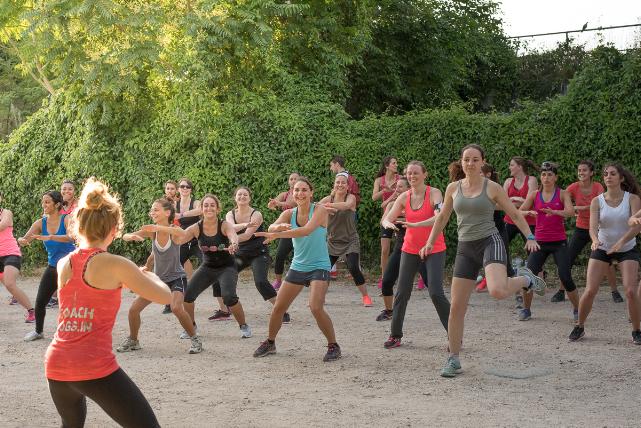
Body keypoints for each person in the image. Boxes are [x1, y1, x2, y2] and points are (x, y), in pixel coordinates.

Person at [45, 178, 170, 428]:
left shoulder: (63, 263)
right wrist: (149, 274)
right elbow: (165, 296)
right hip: (91, 364)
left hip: (57, 363)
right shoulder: (115, 263)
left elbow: (86, 294)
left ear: (79, 226)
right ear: (114, 229)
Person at [424, 145, 544, 378]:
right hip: (465, 247)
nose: (470, 163)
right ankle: (454, 359)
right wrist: (429, 242)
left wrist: (529, 236)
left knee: (498, 291)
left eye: (475, 160)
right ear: (461, 162)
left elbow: (515, 214)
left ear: (482, 162)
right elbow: (442, 218)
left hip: (490, 241)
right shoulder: (452, 188)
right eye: (466, 159)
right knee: (457, 307)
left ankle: (525, 278)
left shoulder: (493, 187)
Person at [253, 177, 341, 362]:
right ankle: (270, 343)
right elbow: (271, 226)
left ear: (311, 193)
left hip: (319, 265)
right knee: (278, 308)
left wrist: (277, 234)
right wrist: (277, 227)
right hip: (298, 266)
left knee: (316, 307)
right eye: (296, 190)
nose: (300, 193)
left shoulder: (320, 210)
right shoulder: (289, 213)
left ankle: (333, 346)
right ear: (292, 194)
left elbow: (306, 230)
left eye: (303, 190)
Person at [118, 198, 203, 354]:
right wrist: (131, 237)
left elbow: (182, 233)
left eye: (156, 209)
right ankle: (133, 340)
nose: (152, 212)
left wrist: (158, 227)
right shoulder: (153, 232)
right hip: (157, 281)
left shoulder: (173, 232)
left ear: (168, 212)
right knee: (133, 310)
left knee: (177, 308)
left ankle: (195, 339)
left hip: (177, 278)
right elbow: (125, 235)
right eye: (152, 210)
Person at [380, 161, 450, 348]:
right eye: (409, 173)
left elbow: (440, 216)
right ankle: (395, 335)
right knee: (402, 292)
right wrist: (389, 224)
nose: (412, 176)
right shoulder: (404, 196)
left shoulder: (434, 193)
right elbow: (387, 218)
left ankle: (454, 333)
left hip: (433, 248)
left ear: (425, 174)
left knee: (436, 292)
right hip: (410, 248)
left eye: (416, 173)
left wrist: (416, 225)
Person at [569, 163, 641, 344]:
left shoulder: (632, 199)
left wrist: (620, 243)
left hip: (626, 249)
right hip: (602, 248)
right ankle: (579, 326)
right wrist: (594, 240)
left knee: (631, 291)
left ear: (621, 178)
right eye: (605, 174)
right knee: (591, 290)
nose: (608, 176)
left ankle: (636, 331)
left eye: (613, 174)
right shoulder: (597, 201)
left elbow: (637, 226)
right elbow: (593, 228)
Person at [181, 194, 252, 339]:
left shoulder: (224, 225)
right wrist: (164, 231)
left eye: (212, 205)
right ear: (201, 209)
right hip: (208, 266)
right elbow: (180, 238)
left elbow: (233, 235)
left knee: (229, 297)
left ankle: (243, 325)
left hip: (227, 267)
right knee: (187, 296)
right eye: (205, 205)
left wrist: (233, 244)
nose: (209, 208)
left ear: (217, 209)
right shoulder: (196, 228)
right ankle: (191, 326)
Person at [517, 162, 579, 321]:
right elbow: (518, 212)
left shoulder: (562, 193)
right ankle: (526, 309)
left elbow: (571, 212)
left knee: (565, 276)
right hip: (539, 243)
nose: (546, 178)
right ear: (540, 177)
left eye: (550, 174)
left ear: (555, 177)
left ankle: (577, 309)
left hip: (559, 243)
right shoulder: (534, 195)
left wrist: (555, 212)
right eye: (543, 174)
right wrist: (528, 211)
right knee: (528, 277)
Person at [560, 161, 622, 303]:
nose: (581, 173)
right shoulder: (573, 187)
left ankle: (615, 291)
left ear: (591, 173)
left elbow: (601, 204)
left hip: (598, 229)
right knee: (567, 259)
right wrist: (573, 208)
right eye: (579, 170)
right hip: (581, 228)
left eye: (584, 170)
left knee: (606, 261)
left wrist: (579, 208)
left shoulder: (598, 186)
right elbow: (561, 200)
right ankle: (561, 290)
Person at [225, 186, 290, 322]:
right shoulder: (230, 214)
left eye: (245, 195)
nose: (242, 197)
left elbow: (247, 235)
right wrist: (244, 225)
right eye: (239, 194)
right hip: (241, 253)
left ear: (249, 198)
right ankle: (229, 306)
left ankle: (282, 311)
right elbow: (230, 229)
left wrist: (234, 236)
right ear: (235, 197)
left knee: (260, 281)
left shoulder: (256, 214)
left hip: (258, 253)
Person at [19, 191, 76, 342]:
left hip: (71, 266)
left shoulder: (66, 219)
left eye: (47, 202)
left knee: (71, 302)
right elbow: (25, 238)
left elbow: (72, 237)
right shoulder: (40, 223)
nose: (43, 205)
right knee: (40, 302)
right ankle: (38, 331)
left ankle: (74, 333)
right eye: (43, 202)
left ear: (57, 205)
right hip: (53, 266)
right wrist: (22, 241)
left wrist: (50, 236)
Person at [376, 177, 429, 320]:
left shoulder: (418, 204)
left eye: (400, 187)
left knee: (431, 284)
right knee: (387, 281)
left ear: (408, 189)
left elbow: (425, 221)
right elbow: (384, 222)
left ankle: (452, 309)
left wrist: (402, 218)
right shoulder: (393, 204)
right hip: (402, 247)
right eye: (396, 187)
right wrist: (394, 219)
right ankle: (389, 311)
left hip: (421, 247)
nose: (396, 189)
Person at [320, 173, 373, 307]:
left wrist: (328, 206)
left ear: (348, 186)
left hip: (350, 240)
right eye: (338, 182)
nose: (340, 185)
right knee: (324, 269)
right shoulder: (328, 199)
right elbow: (315, 208)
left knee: (354, 267)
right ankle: (320, 298)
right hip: (333, 240)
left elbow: (346, 205)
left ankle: (366, 296)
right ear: (334, 185)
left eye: (343, 182)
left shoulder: (351, 198)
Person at [501, 157, 539, 307]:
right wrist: (518, 200)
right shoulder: (507, 182)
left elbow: (532, 201)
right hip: (510, 220)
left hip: (528, 221)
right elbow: (502, 201)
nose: (509, 167)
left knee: (534, 252)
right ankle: (511, 276)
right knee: (501, 247)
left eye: (512, 165)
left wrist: (515, 199)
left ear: (520, 166)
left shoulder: (531, 180)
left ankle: (533, 281)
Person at [0, 193, 35, 323]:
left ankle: (32, 311)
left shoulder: (6, 213)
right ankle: (14, 295)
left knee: (9, 283)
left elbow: (3, 225)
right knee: (9, 285)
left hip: (10, 254)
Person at [476, 163, 505, 292]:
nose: (478, 175)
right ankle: (483, 279)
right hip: (479, 229)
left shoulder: (495, 188)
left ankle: (521, 285)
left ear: (488, 174)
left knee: (505, 262)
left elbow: (504, 206)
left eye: (481, 173)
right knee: (478, 257)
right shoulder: (474, 187)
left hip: (497, 229)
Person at [372, 156, 401, 289]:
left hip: (401, 217)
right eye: (394, 163)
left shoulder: (401, 180)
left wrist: (394, 193)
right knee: (385, 250)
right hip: (386, 217)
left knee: (403, 249)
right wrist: (385, 190)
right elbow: (374, 198)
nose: (396, 165)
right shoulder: (379, 180)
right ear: (387, 166)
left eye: (396, 163)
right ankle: (384, 277)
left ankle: (405, 277)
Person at [268, 172, 299, 290]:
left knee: (302, 256)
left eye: (295, 178)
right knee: (280, 255)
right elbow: (273, 203)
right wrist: (272, 204)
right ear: (289, 181)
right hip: (287, 230)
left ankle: (308, 279)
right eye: (291, 179)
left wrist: (279, 203)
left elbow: (292, 204)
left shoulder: (300, 194)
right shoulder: (284, 194)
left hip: (301, 230)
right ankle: (278, 281)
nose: (293, 180)